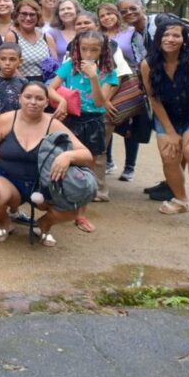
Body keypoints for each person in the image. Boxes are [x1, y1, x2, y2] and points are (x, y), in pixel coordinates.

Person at [0, 81, 93, 246]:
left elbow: (86, 154)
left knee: (74, 209)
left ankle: (44, 225)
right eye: (28, 97)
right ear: (20, 98)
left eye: (39, 98)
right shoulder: (5, 120)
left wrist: (68, 156)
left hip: (42, 185)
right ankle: (4, 221)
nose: (33, 102)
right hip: (8, 180)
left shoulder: (54, 125)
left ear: (46, 102)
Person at [140, 21, 189, 227]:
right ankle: (180, 200)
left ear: (184, 39)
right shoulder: (148, 64)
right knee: (169, 155)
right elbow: (154, 99)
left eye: (176, 35)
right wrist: (170, 131)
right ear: (158, 39)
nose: (170, 39)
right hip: (168, 115)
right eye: (165, 35)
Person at [48, 30, 119, 232]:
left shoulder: (109, 73)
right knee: (60, 159)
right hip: (70, 119)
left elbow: (99, 102)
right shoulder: (70, 66)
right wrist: (61, 101)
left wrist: (94, 77)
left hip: (93, 121)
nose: (88, 53)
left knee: (88, 165)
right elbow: (51, 88)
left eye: (94, 50)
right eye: (84, 48)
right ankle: (58, 204)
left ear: (102, 51)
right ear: (77, 48)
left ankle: (81, 215)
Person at [98, 1, 140, 181]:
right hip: (108, 81)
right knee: (108, 118)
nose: (107, 18)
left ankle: (130, 166)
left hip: (130, 81)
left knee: (130, 125)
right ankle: (107, 161)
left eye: (110, 13)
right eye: (102, 15)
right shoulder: (98, 36)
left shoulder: (130, 32)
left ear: (117, 14)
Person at [5, 0, 58, 82]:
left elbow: (55, 63)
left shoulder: (46, 37)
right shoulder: (12, 36)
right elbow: (9, 65)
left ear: (38, 17)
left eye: (32, 15)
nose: (28, 18)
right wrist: (26, 85)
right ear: (17, 15)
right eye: (24, 14)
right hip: (20, 84)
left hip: (45, 85)